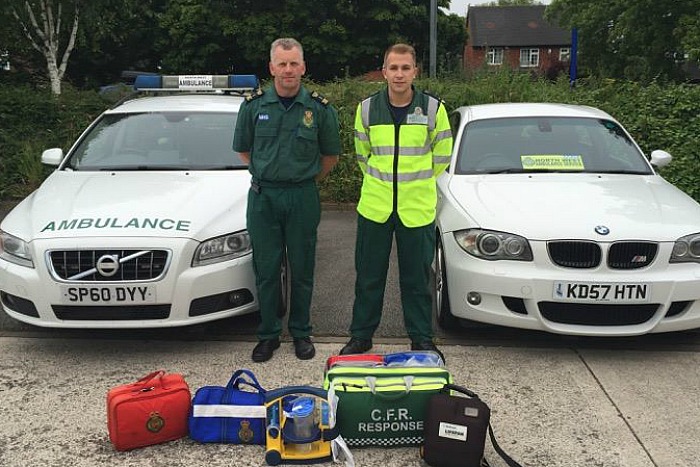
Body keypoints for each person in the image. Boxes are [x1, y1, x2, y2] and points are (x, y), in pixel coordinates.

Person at [339, 43, 453, 360]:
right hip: (375, 208)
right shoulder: (366, 109)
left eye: (406, 68)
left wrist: (412, 185)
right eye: (394, 68)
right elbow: (363, 155)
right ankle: (361, 336)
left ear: (415, 71)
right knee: (369, 277)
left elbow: (441, 156)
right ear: (384, 70)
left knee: (417, 279)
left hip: (416, 209)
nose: (399, 74)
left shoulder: (433, 109)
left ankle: (421, 339)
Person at [233, 38, 341, 363]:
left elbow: (330, 156)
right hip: (264, 197)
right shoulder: (252, 107)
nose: (288, 70)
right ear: (272, 68)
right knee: (266, 269)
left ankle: (301, 333)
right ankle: (268, 335)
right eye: (282, 64)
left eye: (294, 63)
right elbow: (244, 150)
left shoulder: (319, 109)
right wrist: (272, 174)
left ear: (303, 67)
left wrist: (302, 180)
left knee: (302, 269)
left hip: (302, 196)